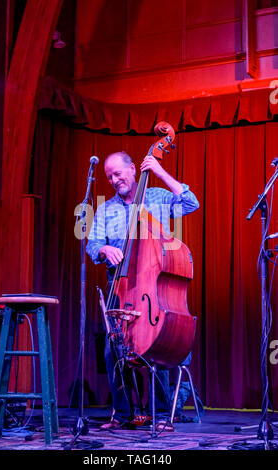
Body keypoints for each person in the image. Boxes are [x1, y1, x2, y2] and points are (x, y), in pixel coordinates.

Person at [86, 151, 199, 430]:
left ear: (133, 169)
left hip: (152, 289)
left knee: (156, 342)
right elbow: (91, 246)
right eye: (109, 176)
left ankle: (160, 415)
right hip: (121, 289)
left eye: (118, 173)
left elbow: (191, 203)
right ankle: (122, 414)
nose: (113, 179)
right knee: (114, 350)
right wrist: (103, 248)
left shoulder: (157, 197)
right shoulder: (105, 209)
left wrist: (159, 171)